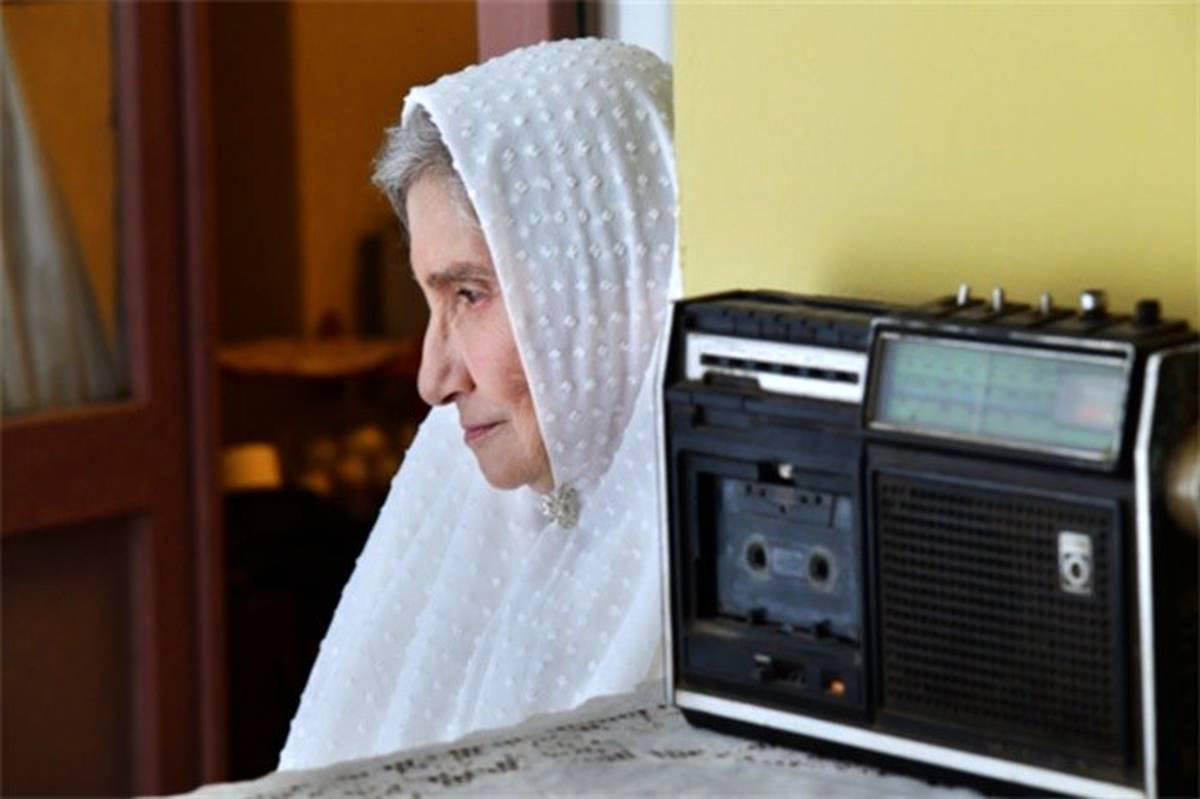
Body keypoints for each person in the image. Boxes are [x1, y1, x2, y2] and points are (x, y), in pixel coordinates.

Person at [278, 38, 678, 770]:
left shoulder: (723, 587)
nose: (433, 380)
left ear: (608, 276)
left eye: (469, 293)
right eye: (431, 301)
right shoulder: (480, 525)